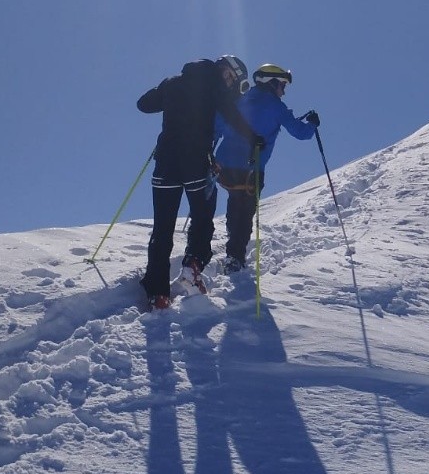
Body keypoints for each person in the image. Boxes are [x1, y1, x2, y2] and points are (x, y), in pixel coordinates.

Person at [137, 55, 262, 309]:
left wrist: (165, 92)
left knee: (162, 229)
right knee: (203, 217)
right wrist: (255, 139)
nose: (229, 83)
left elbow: (144, 104)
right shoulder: (216, 88)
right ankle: (192, 266)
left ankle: (157, 294)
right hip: (195, 164)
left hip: (166, 164)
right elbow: (234, 117)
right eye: (231, 78)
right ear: (224, 70)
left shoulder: (173, 83)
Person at [213, 63, 320, 272]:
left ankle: (231, 243)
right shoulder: (276, 107)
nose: (283, 90)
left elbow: (218, 124)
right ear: (271, 83)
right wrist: (313, 124)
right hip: (252, 168)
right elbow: (301, 132)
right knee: (246, 211)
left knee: (235, 201)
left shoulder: (239, 99)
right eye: (282, 85)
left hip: (224, 165)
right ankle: (235, 256)